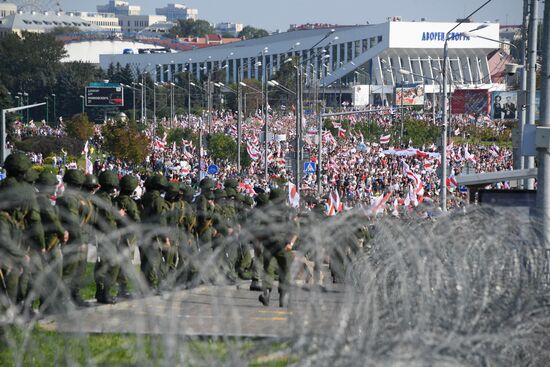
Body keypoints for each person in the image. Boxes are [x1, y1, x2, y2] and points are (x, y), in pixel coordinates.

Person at [36, 171, 68, 313]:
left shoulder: (39, 198)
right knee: (54, 274)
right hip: (50, 241)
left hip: (45, 240)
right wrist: (62, 231)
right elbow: (52, 218)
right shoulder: (43, 200)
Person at [57, 169, 90, 307]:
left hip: (79, 238)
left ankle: (74, 296)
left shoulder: (78, 198)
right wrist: (79, 240)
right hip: (73, 239)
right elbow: (73, 221)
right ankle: (63, 300)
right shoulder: (69, 199)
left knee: (79, 270)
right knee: (69, 271)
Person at [93, 170, 120, 304]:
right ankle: (106, 293)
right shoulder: (104, 198)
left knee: (102, 264)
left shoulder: (100, 196)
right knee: (111, 265)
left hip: (101, 234)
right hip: (107, 235)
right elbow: (109, 217)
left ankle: (100, 292)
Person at [140, 174, 170, 293]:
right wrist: (165, 238)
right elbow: (161, 220)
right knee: (154, 261)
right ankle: (151, 287)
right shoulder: (158, 200)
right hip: (154, 235)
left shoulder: (145, 197)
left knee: (145, 261)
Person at [114, 174, 141, 298]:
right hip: (128, 236)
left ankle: (120, 286)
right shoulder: (129, 203)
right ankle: (123, 288)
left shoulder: (115, 199)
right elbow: (136, 220)